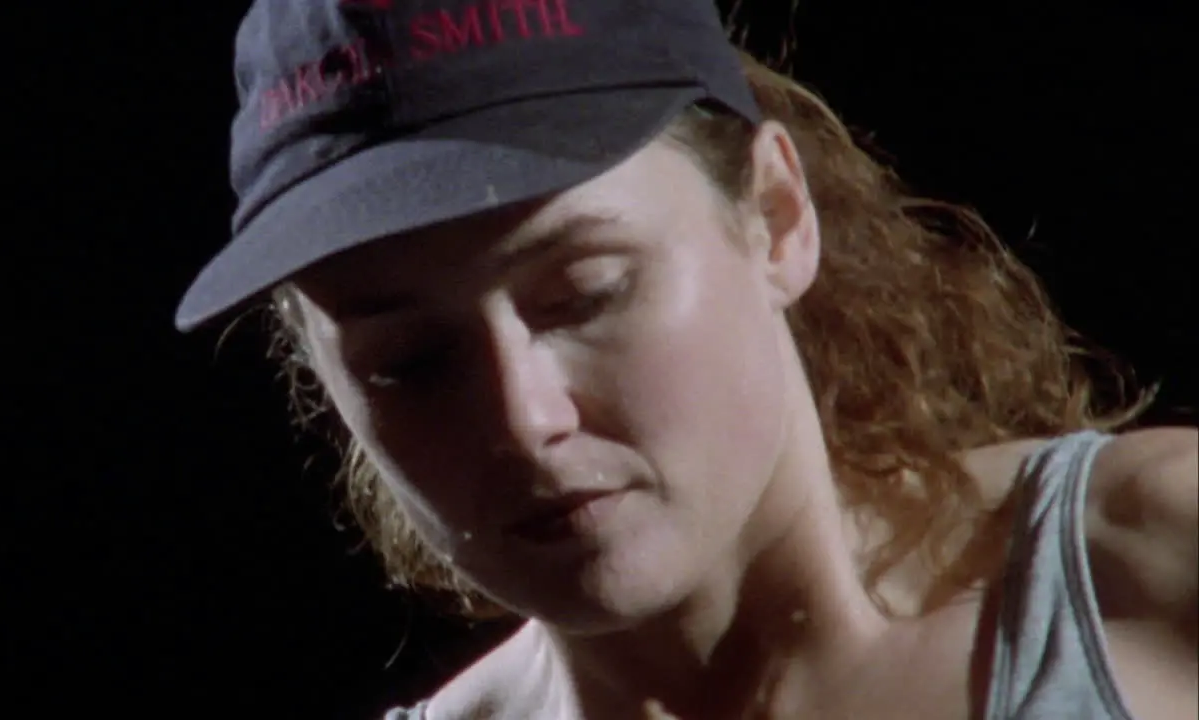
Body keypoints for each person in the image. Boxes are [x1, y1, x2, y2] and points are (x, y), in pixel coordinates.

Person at [175, 0, 1198, 717]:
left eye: (585, 292)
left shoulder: (1156, 571)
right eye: (406, 360)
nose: (523, 417)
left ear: (775, 217)